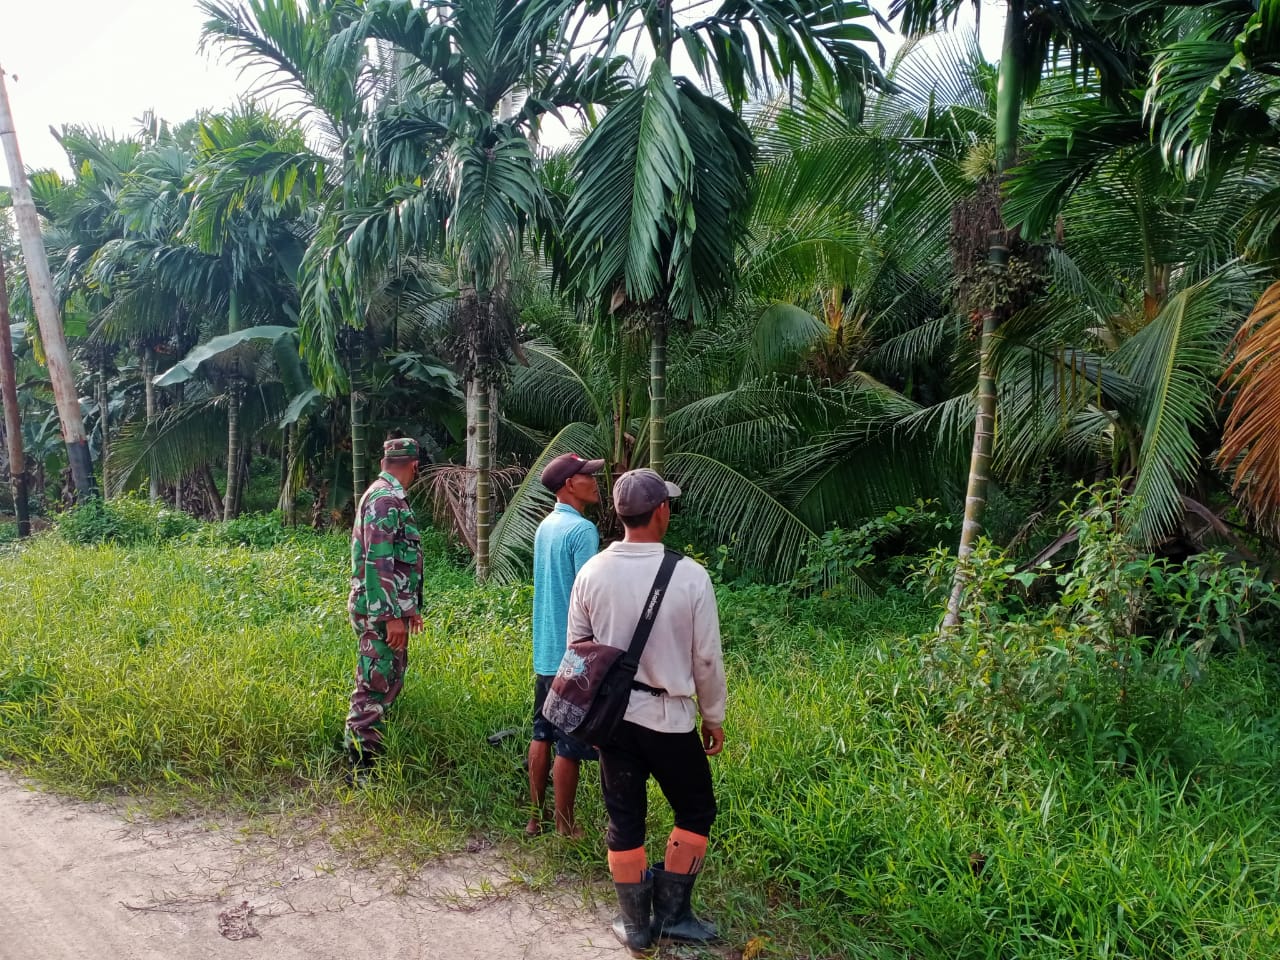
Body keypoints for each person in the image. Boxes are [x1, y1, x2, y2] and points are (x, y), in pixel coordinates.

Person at [566, 468, 727, 951]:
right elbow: (706, 657)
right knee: (696, 808)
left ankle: (636, 926)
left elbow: (578, 652)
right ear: (661, 511)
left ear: (619, 514)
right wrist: (713, 716)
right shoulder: (690, 575)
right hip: (671, 720)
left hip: (613, 722)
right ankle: (674, 915)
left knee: (624, 817)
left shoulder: (592, 571)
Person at [527, 452, 605, 837]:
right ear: (569, 484)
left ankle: (534, 817)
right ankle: (565, 827)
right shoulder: (582, 531)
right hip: (572, 653)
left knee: (541, 731)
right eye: (587, 475)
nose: (594, 481)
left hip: (545, 650)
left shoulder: (546, 526)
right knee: (569, 743)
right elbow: (589, 594)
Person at [343, 437, 425, 783]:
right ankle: (360, 769)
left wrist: (408, 609)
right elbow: (378, 563)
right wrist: (391, 616)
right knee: (373, 686)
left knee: (386, 681)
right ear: (415, 466)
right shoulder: (385, 499)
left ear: (384, 460)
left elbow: (398, 563)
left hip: (388, 608)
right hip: (380, 612)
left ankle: (369, 758)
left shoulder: (383, 495)